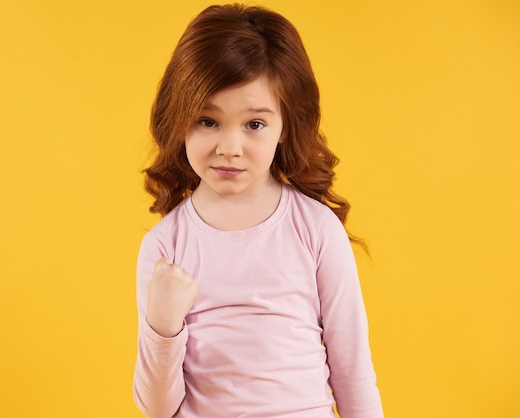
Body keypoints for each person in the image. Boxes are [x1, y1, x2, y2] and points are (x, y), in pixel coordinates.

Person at [133, 3, 384, 417]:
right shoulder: (165, 247)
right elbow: (157, 409)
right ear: (177, 118)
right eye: (207, 121)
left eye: (254, 124)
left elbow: (353, 374)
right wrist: (163, 325)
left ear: (286, 125)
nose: (229, 147)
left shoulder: (316, 230)